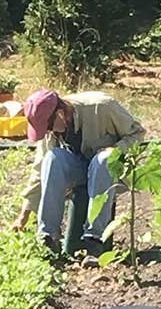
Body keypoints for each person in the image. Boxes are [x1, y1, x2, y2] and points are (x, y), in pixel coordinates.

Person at [13, 89, 145, 260]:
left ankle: (95, 241)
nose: (47, 133)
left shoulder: (102, 107)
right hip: (80, 169)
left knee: (104, 159)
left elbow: (137, 133)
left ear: (60, 114)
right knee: (52, 158)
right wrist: (23, 216)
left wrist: (118, 150)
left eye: (47, 128)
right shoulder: (51, 129)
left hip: (109, 174)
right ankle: (47, 238)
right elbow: (39, 171)